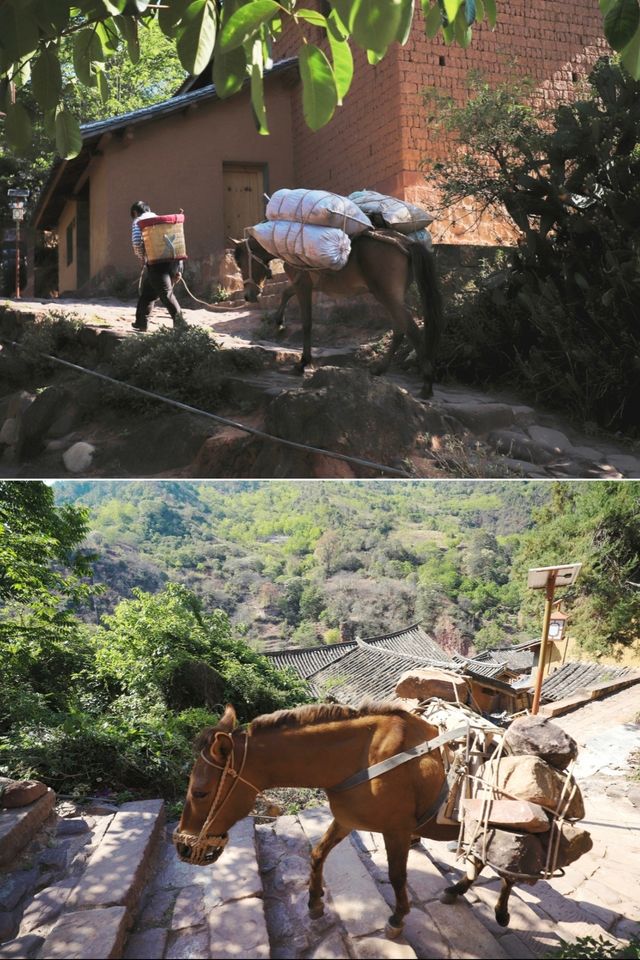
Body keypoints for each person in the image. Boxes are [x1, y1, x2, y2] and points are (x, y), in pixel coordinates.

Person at [130, 200, 187, 332]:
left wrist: (142, 257)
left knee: (166, 294)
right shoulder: (160, 220)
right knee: (147, 293)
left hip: (156, 263)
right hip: (172, 261)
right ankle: (141, 322)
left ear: (134, 212)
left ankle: (181, 325)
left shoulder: (138, 221)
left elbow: (137, 242)